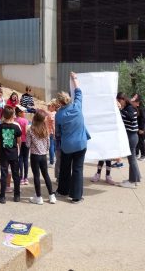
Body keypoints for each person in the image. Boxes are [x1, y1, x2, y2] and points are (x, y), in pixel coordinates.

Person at [56, 72, 90, 204]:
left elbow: (58, 132)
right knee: (77, 169)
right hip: (81, 144)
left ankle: (62, 191)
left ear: (60, 102)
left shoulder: (59, 114)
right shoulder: (77, 106)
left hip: (67, 146)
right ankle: (76, 197)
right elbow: (79, 91)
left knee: (65, 168)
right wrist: (74, 79)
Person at [27, 111, 57, 205]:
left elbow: (28, 144)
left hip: (35, 155)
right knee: (46, 175)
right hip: (43, 155)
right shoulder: (46, 129)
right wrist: (44, 149)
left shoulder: (31, 130)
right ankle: (51, 195)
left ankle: (39, 197)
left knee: (36, 176)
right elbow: (48, 144)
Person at [0, 106, 22, 204]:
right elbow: (19, 141)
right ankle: (17, 195)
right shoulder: (16, 127)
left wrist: (3, 139)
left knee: (4, 175)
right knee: (16, 175)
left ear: (3, 115)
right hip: (14, 154)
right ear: (13, 115)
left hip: (4, 154)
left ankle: (2, 196)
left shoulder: (0, 127)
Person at [117, 92, 142, 188]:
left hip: (131, 136)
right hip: (131, 136)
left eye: (119, 101)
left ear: (123, 100)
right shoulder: (127, 108)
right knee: (132, 159)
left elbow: (131, 117)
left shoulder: (130, 108)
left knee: (132, 160)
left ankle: (132, 182)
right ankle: (136, 178)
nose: (119, 103)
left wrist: (120, 109)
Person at [15, 106, 30, 185]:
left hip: (18, 141)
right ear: (19, 113)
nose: (24, 113)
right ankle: (25, 178)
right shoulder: (25, 121)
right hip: (25, 141)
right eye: (23, 112)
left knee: (20, 158)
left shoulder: (15, 120)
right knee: (25, 159)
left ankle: (21, 178)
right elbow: (26, 131)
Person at [131, 94, 145, 161]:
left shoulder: (141, 108)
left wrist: (142, 129)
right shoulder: (134, 107)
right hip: (135, 127)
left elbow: (143, 119)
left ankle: (143, 155)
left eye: (135, 97)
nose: (133, 98)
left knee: (141, 141)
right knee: (136, 142)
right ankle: (136, 154)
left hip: (140, 128)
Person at [46, 100, 57, 167]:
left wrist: (54, 133)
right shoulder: (55, 113)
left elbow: (53, 125)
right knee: (54, 147)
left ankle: (52, 162)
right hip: (53, 132)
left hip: (51, 132)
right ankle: (54, 160)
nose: (48, 107)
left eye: (49, 106)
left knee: (51, 147)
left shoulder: (51, 114)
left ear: (53, 107)